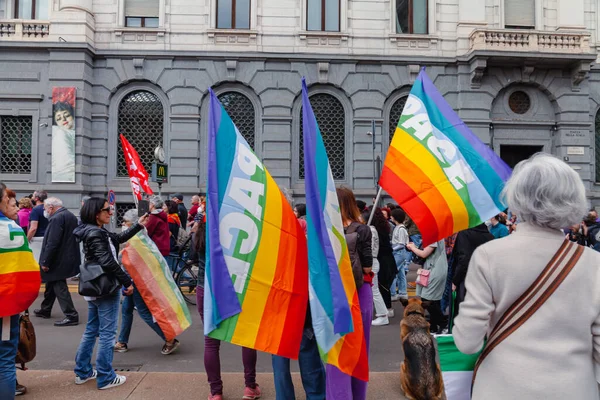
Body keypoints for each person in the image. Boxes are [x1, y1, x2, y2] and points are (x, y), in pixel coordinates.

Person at [453, 154, 600, 399]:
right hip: (573, 388)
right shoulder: (593, 262)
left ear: (516, 198)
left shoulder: (489, 255)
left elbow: (467, 341)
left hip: (502, 388)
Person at [72, 198, 146, 390]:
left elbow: (117, 238)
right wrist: (126, 281)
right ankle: (105, 377)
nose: (111, 213)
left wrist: (139, 225)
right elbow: (108, 261)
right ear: (97, 213)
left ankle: (83, 371)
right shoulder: (96, 232)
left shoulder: (93, 230)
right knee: (107, 334)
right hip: (105, 287)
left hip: (94, 286)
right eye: (107, 210)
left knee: (91, 330)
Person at [195, 225, 262, 400]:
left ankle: (216, 391)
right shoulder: (238, 225)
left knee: (211, 342)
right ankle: (250, 386)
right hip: (236, 287)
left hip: (207, 287)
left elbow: (192, 256)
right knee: (246, 338)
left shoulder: (203, 228)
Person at [272, 206, 325, 400]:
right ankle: (317, 396)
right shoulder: (302, 231)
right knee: (308, 355)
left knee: (280, 363)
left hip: (278, 309)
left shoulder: (268, 239)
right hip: (302, 307)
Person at [326, 187, 373, 400]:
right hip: (360, 293)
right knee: (359, 349)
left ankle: (337, 395)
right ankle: (357, 395)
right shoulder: (363, 230)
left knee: (336, 349)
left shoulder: (325, 228)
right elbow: (367, 268)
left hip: (333, 294)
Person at [114, 209, 180, 355]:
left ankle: (169, 338)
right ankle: (122, 342)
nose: (123, 224)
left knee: (143, 312)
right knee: (126, 310)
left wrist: (129, 280)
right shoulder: (141, 236)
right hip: (134, 279)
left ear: (132, 223)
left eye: (126, 222)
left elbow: (132, 263)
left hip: (136, 280)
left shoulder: (136, 239)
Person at [0, 185, 38, 398]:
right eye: (6, 197)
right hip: (6, 307)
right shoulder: (11, 229)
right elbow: (28, 273)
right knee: (5, 360)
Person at [34, 197, 80, 326]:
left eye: (45, 208)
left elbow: (52, 242)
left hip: (57, 259)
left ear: (51, 207)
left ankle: (71, 315)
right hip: (65, 257)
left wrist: (45, 261)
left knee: (59, 286)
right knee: (51, 283)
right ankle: (45, 309)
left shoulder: (56, 218)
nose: (45, 211)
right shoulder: (69, 215)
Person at [449, 223, 494, 323]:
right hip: (485, 280)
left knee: (464, 312)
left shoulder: (464, 234)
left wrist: (455, 280)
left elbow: (464, 260)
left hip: (466, 279)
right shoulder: (490, 237)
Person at [406, 238, 448, 334]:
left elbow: (424, 254)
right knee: (433, 299)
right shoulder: (434, 235)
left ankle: (443, 324)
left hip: (434, 270)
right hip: (432, 269)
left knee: (427, 298)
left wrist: (412, 248)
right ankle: (434, 326)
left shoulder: (433, 236)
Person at [362, 210, 388, 327]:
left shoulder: (370, 230)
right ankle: (382, 314)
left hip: (371, 261)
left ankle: (382, 315)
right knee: (374, 289)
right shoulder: (371, 229)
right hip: (372, 261)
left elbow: (369, 248)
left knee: (374, 290)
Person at [51, 101, 76, 182]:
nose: (64, 119)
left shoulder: (73, 132)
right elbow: (66, 162)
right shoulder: (61, 133)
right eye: (59, 118)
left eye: (67, 115)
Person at [389, 208, 409, 303]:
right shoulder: (400, 227)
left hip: (398, 253)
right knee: (400, 273)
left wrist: (391, 248)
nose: (390, 217)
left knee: (393, 273)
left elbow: (401, 244)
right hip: (400, 253)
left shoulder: (400, 229)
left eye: (392, 215)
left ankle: (393, 293)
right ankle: (402, 292)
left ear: (395, 217)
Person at [27, 190, 49, 261]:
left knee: (36, 260)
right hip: (48, 237)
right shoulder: (49, 208)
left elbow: (33, 228)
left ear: (36, 198)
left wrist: (26, 240)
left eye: (33, 196)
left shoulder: (35, 210)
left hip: (37, 239)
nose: (32, 198)